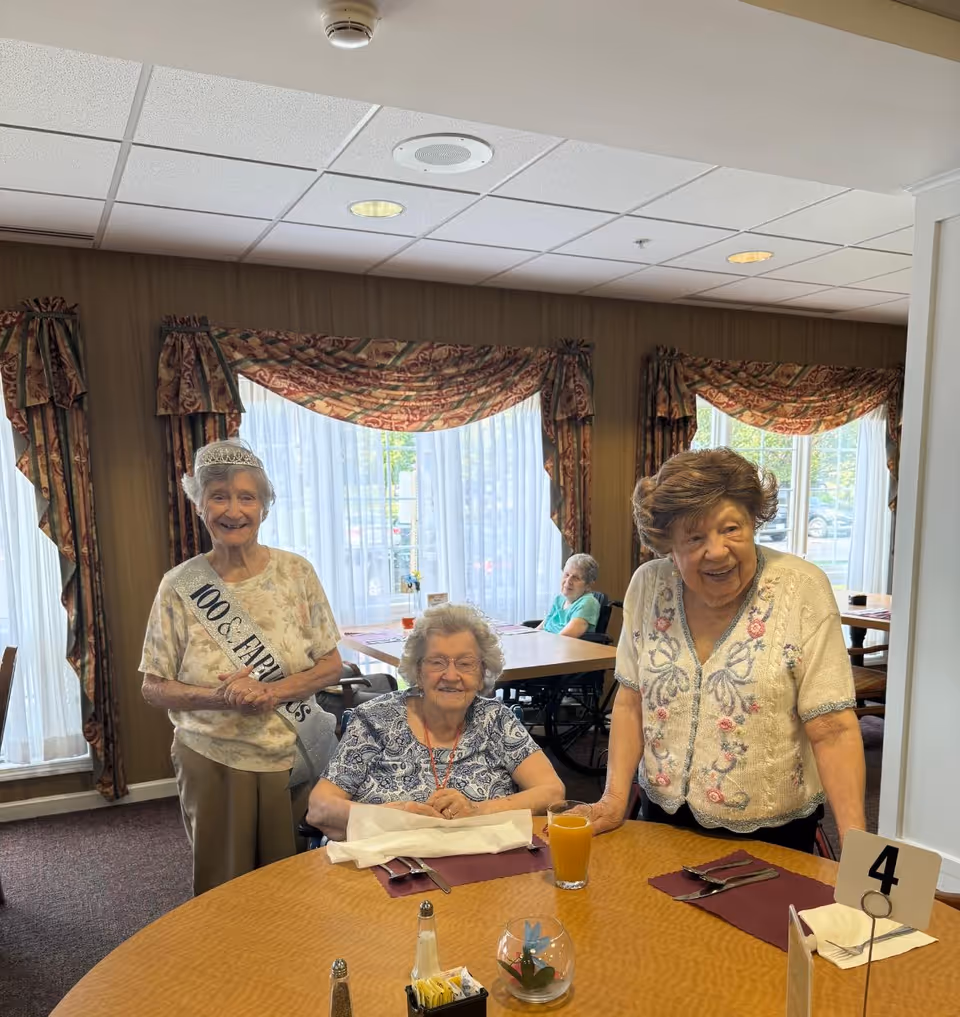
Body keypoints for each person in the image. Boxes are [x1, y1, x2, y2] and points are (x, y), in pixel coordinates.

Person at [588, 448, 866, 853]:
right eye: (695, 537)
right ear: (667, 545)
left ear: (754, 522)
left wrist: (858, 848)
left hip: (772, 837)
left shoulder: (801, 589)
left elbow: (834, 729)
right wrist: (614, 799)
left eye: (732, 529)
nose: (717, 551)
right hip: (660, 822)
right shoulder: (648, 587)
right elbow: (632, 702)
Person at [140, 439, 346, 894]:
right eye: (219, 496)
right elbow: (153, 687)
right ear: (200, 505)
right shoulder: (179, 586)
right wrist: (221, 696)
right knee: (224, 890)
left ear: (264, 507)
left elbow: (332, 666)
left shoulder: (297, 573)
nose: (233, 510)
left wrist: (272, 691)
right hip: (213, 757)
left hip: (292, 755)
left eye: (246, 497)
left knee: (291, 885)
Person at [307, 603, 565, 839]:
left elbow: (552, 791)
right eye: (437, 662)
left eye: (465, 663)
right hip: (389, 872)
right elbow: (319, 809)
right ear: (418, 670)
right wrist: (396, 815)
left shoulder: (496, 720)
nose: (451, 676)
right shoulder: (375, 720)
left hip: (483, 872)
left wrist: (478, 811)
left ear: (482, 672)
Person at [540, 553, 601, 638]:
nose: (568, 581)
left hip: (565, 648)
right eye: (566, 575)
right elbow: (543, 626)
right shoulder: (559, 599)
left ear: (588, 584)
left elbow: (566, 637)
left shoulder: (588, 603)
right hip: (548, 644)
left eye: (576, 578)